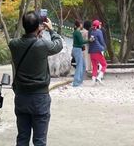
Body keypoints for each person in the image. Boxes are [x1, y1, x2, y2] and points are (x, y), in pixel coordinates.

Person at [8, 10, 63, 146]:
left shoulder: (13, 44)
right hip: (40, 98)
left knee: (22, 138)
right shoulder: (42, 45)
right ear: (39, 27)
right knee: (39, 141)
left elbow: (22, 41)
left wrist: (37, 33)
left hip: (21, 97)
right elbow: (58, 45)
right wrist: (51, 30)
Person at [88, 19, 107, 84]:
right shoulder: (99, 31)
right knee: (104, 64)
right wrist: (104, 47)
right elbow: (102, 41)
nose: (100, 25)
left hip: (91, 52)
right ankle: (99, 77)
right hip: (98, 51)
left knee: (94, 66)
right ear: (98, 25)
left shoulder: (91, 31)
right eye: (99, 24)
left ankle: (93, 81)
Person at [72, 19, 86, 87]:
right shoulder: (78, 32)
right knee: (79, 66)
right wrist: (89, 40)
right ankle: (76, 83)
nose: (82, 25)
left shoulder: (76, 32)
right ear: (79, 24)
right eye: (81, 24)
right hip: (77, 50)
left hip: (77, 49)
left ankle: (80, 81)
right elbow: (81, 42)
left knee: (83, 65)